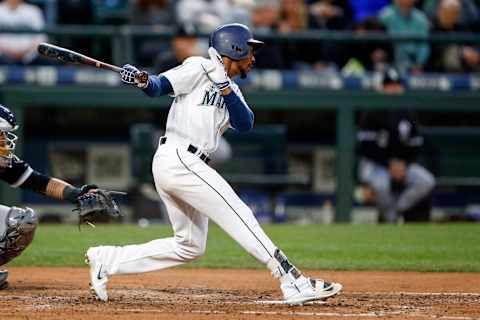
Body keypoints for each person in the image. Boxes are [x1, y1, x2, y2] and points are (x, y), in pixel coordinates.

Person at [85, 23, 342, 305]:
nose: (253, 58)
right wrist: (143, 80)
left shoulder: (232, 89)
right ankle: (292, 280)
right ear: (234, 48)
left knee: (190, 246)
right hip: (179, 157)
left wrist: (224, 87)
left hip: (185, 163)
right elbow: (159, 87)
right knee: (239, 212)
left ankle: (107, 259)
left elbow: (245, 123)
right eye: (249, 51)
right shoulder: (198, 66)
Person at [0, 104, 115, 289]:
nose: (5, 141)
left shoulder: (3, 162)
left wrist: (77, 195)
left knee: (22, 222)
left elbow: (38, 182)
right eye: (1, 135)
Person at [356, 68, 436, 223]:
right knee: (381, 185)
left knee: (427, 181)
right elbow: (365, 147)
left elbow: (416, 145)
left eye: (396, 85)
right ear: (382, 88)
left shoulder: (407, 111)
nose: (393, 89)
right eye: (389, 86)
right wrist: (389, 164)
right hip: (377, 165)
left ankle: (396, 211)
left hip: (403, 165)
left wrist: (404, 165)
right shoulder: (372, 111)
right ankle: (390, 219)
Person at [0, 0, 47, 65]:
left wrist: (25, 52)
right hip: (3, 56)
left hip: (30, 57)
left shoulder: (33, 11)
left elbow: (41, 39)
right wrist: (7, 52)